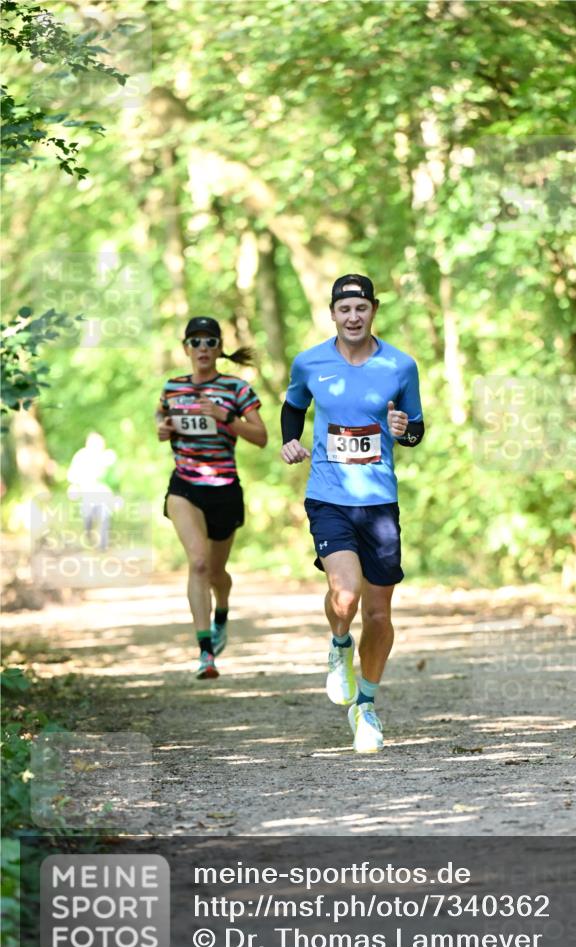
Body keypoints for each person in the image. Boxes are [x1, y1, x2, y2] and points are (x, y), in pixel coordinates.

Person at [280, 274, 424, 752]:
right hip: (328, 495)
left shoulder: (400, 366)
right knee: (346, 595)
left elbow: (415, 428)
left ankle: (365, 705)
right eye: (345, 309)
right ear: (333, 313)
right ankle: (339, 644)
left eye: (361, 308)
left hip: (379, 502)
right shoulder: (310, 362)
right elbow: (292, 406)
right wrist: (290, 439)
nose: (353, 317)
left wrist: (404, 429)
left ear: (373, 310)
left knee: (379, 615)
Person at [156, 316, 267, 679]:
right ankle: (206, 653)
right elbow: (162, 423)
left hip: (224, 489)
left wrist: (226, 417)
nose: (202, 349)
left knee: (217, 572)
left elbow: (261, 437)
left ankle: (222, 610)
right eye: (195, 342)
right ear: (186, 348)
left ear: (219, 348)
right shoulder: (173, 387)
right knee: (199, 564)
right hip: (185, 486)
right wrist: (163, 428)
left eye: (209, 342)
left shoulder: (236, 389)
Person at [67, 432, 119, 550]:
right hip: (87, 493)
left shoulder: (108, 457)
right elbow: (73, 474)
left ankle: (103, 547)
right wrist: (73, 486)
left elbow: (115, 478)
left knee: (105, 518)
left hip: (105, 494)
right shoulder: (81, 456)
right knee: (88, 519)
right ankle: (89, 535)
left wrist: (117, 495)